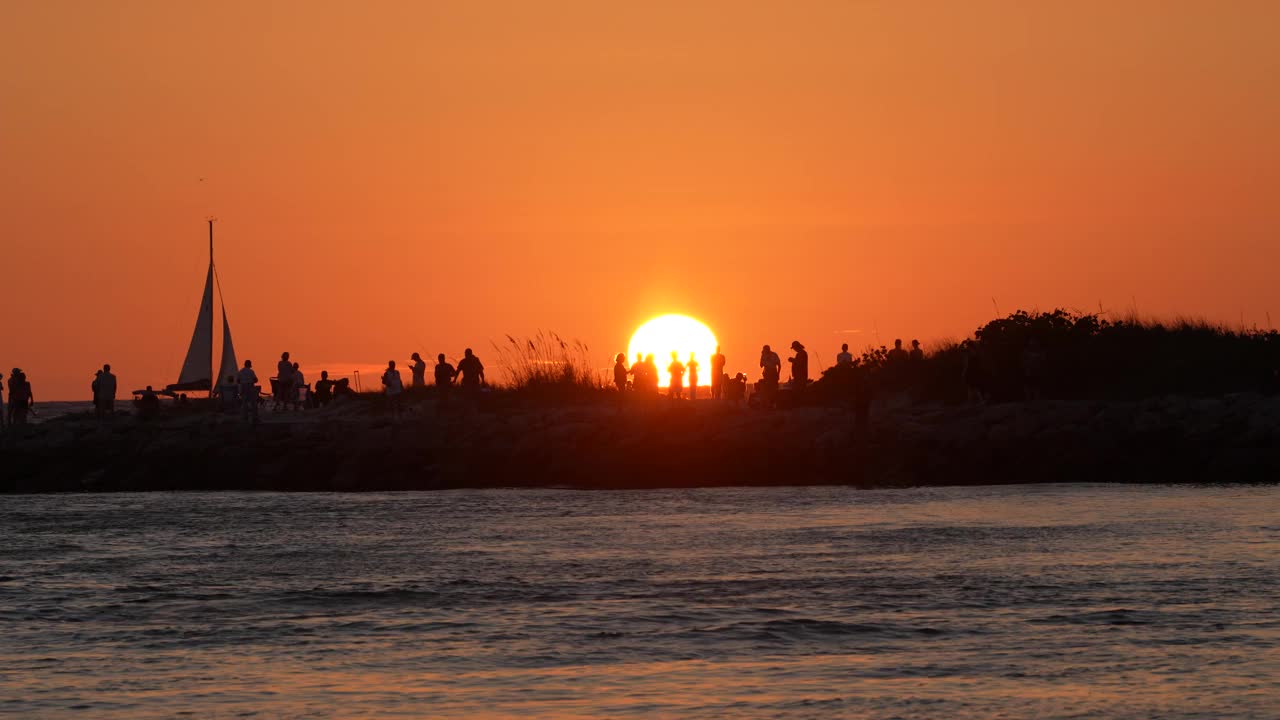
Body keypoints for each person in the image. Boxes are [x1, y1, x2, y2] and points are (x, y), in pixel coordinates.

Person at [237, 359, 260, 424]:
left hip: (243, 387)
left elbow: (238, 381)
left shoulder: (240, 371)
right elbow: (256, 380)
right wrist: (250, 380)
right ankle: (254, 417)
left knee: (244, 403)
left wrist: (243, 381)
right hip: (250, 386)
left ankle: (245, 417)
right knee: (253, 403)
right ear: (249, 365)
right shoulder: (251, 371)